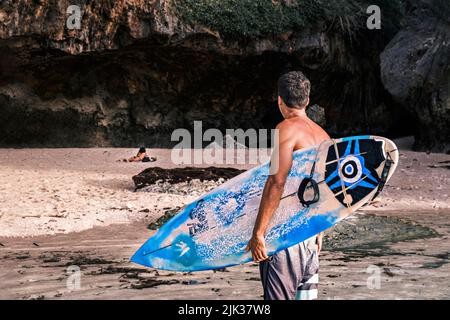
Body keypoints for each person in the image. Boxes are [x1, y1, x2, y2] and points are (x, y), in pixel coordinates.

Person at [246, 71, 330, 300]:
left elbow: (276, 181)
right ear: (308, 100)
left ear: (280, 100)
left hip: (285, 238)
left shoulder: (285, 128)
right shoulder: (323, 135)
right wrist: (320, 229)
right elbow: (324, 187)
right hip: (310, 238)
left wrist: (258, 233)